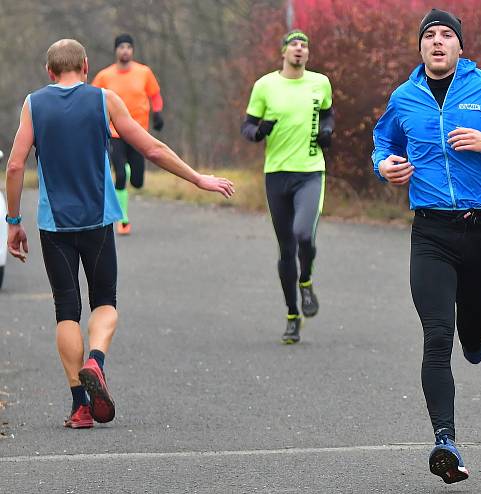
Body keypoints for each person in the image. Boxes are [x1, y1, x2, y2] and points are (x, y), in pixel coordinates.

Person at [4, 39, 234, 429]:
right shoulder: (103, 99)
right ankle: (97, 360)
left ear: (49, 71)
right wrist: (198, 178)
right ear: (86, 65)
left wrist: (13, 222)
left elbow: (14, 166)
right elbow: (153, 149)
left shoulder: (33, 103)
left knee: (66, 310)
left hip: (53, 224)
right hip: (98, 221)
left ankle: (80, 407)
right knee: (105, 302)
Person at [372, 9, 481, 484]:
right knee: (436, 336)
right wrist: (384, 165)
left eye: (446, 35)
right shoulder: (404, 97)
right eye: (429, 35)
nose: (437, 42)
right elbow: (382, 141)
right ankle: (445, 441)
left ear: (460, 47)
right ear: (420, 48)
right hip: (430, 232)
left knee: (471, 338)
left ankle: (478, 334)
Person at [241, 29, 334, 344]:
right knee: (286, 249)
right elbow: (248, 126)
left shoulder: (320, 83)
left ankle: (305, 281)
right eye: (294, 44)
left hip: (310, 171)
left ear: (308, 54)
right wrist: (258, 131)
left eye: (304, 45)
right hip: (276, 173)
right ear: (283, 52)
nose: (299, 49)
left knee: (304, 233)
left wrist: (327, 131)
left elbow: (328, 114)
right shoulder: (265, 85)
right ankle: (292, 315)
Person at [92, 34, 165, 235]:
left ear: (132, 50)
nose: (125, 50)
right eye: (121, 47)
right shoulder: (104, 76)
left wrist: (157, 113)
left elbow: (155, 95)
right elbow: (92, 99)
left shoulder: (144, 72)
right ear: (116, 50)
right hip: (114, 133)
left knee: (137, 182)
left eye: (128, 47)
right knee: (121, 176)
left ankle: (128, 169)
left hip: (138, 131)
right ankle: (123, 219)